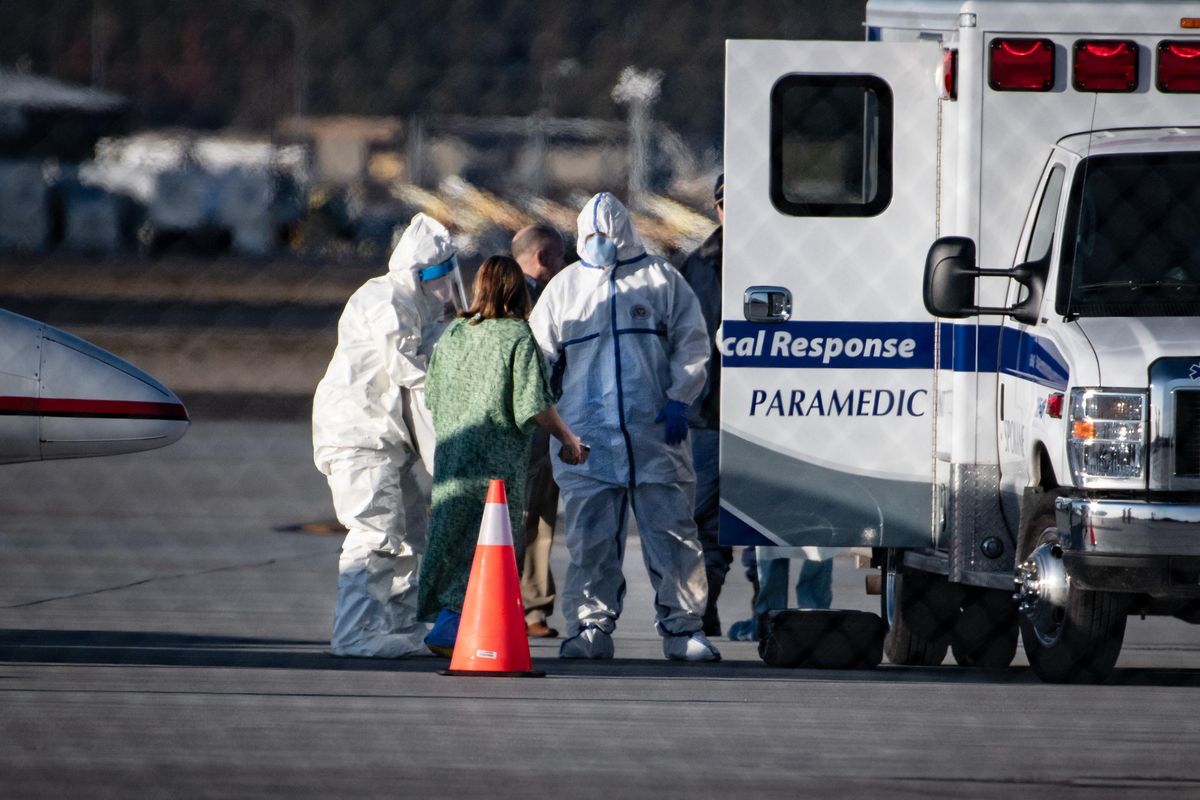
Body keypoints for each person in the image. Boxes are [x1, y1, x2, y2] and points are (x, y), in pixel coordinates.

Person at [529, 191, 720, 662]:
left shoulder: (659, 280)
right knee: (590, 541)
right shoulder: (564, 288)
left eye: (604, 235)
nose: (597, 243)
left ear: (624, 233)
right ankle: (590, 627)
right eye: (589, 236)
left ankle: (682, 628)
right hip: (586, 440)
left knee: (673, 534)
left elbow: (693, 345)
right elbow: (536, 359)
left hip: (655, 434)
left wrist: (680, 398)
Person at [313, 212, 466, 658]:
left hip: (385, 444)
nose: (447, 290)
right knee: (375, 534)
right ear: (420, 275)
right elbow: (407, 370)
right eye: (441, 279)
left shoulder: (411, 307)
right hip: (359, 440)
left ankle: (401, 625)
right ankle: (355, 634)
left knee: (411, 535)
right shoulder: (386, 300)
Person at [418, 255, 587, 656]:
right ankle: (470, 628)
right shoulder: (516, 336)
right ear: (517, 290)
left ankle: (447, 621)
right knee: (493, 546)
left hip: (454, 455)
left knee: (452, 538)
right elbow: (533, 402)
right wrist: (568, 438)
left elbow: (432, 395)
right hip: (498, 463)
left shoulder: (456, 332)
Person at [678, 172, 733, 637]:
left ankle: (769, 608)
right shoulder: (695, 266)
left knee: (767, 535)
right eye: (724, 204)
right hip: (709, 415)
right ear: (716, 209)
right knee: (704, 519)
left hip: (766, 413)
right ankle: (704, 604)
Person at [511, 223, 568, 639]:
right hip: (539, 418)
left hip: (500, 421)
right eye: (560, 258)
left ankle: (500, 601)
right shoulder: (544, 295)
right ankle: (531, 609)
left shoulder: (488, 290)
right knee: (538, 518)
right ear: (544, 257)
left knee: (505, 515)